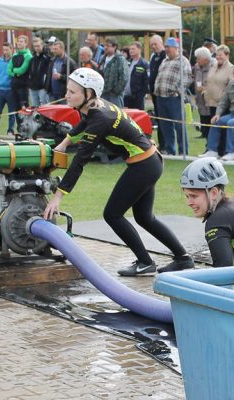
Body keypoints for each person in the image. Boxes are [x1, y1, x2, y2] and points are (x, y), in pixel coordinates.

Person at [42, 68, 194, 276]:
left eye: (72, 92)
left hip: (144, 165)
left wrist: (58, 196)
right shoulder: (94, 107)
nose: (66, 95)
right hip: (150, 161)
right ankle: (183, 259)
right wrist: (64, 144)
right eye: (67, 90)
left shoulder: (100, 119)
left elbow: (80, 161)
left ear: (89, 94)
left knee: (112, 214)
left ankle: (145, 262)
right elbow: (84, 123)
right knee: (144, 218)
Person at [153, 37, 193, 155]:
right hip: (161, 98)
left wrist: (178, 92)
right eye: (165, 47)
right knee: (166, 126)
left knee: (179, 126)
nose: (166, 49)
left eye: (168, 47)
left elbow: (187, 79)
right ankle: (170, 150)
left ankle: (183, 152)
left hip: (174, 98)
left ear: (176, 48)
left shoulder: (183, 61)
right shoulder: (164, 61)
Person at [202, 44, 234, 151]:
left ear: (227, 55)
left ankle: (222, 150)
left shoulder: (231, 68)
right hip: (210, 102)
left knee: (221, 127)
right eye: (217, 55)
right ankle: (211, 148)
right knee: (212, 127)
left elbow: (231, 86)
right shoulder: (214, 66)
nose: (218, 57)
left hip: (222, 104)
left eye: (221, 55)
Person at [147, 34, 167, 147]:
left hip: (162, 93)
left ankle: (166, 144)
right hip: (154, 92)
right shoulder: (153, 56)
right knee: (159, 119)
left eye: (155, 44)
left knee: (164, 120)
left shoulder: (165, 56)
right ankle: (161, 143)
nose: (153, 46)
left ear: (161, 44)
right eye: (152, 45)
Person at [192, 47, 215, 138]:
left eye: (198, 58)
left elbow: (217, 82)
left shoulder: (214, 66)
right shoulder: (197, 66)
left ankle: (210, 134)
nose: (197, 60)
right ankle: (204, 133)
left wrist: (205, 88)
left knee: (210, 114)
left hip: (210, 96)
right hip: (199, 95)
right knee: (202, 113)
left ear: (206, 59)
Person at [0, 43, 17, 135]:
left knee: (11, 112)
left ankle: (10, 130)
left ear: (11, 50)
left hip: (10, 90)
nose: (5, 52)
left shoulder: (14, 60)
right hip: (0, 90)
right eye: (3, 50)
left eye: (7, 50)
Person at [48, 39, 77, 104]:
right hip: (52, 94)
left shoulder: (70, 62)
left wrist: (61, 77)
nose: (54, 51)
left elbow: (74, 78)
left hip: (63, 94)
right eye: (54, 49)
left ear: (62, 49)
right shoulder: (52, 60)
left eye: (56, 49)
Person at [100, 37, 127, 107]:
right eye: (105, 45)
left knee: (116, 115)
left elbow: (124, 77)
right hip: (103, 94)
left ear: (114, 47)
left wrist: (116, 91)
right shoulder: (102, 59)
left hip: (115, 96)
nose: (105, 47)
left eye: (108, 46)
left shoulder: (120, 59)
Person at [8, 35, 33, 108]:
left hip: (23, 86)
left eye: (21, 42)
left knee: (24, 107)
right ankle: (18, 120)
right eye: (18, 41)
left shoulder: (28, 55)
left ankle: (25, 120)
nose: (19, 43)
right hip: (14, 85)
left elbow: (22, 70)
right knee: (16, 107)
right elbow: (9, 70)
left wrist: (14, 70)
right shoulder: (15, 55)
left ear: (26, 43)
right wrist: (15, 73)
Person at [123, 41, 148, 110]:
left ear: (139, 50)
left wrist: (140, 95)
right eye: (130, 49)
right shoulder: (128, 62)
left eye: (133, 49)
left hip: (137, 98)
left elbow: (146, 82)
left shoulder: (144, 64)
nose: (131, 51)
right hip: (126, 97)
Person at [27, 37, 51, 107]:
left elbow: (48, 73)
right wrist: (29, 83)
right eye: (35, 46)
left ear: (42, 45)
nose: (37, 48)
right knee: (35, 107)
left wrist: (45, 85)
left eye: (38, 46)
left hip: (42, 87)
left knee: (44, 106)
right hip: (33, 87)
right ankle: (37, 118)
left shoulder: (47, 58)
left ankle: (44, 118)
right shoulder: (32, 59)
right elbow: (30, 72)